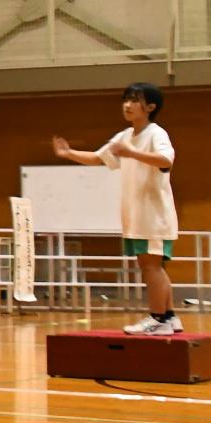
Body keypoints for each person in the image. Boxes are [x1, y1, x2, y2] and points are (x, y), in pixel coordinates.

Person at [55, 82, 178, 333]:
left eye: (134, 100)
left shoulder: (156, 133)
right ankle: (170, 317)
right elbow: (99, 158)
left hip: (153, 214)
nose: (127, 105)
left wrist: (132, 153)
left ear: (150, 107)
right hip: (135, 215)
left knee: (151, 267)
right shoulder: (124, 136)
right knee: (153, 267)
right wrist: (69, 153)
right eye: (126, 100)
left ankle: (158, 319)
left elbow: (166, 160)